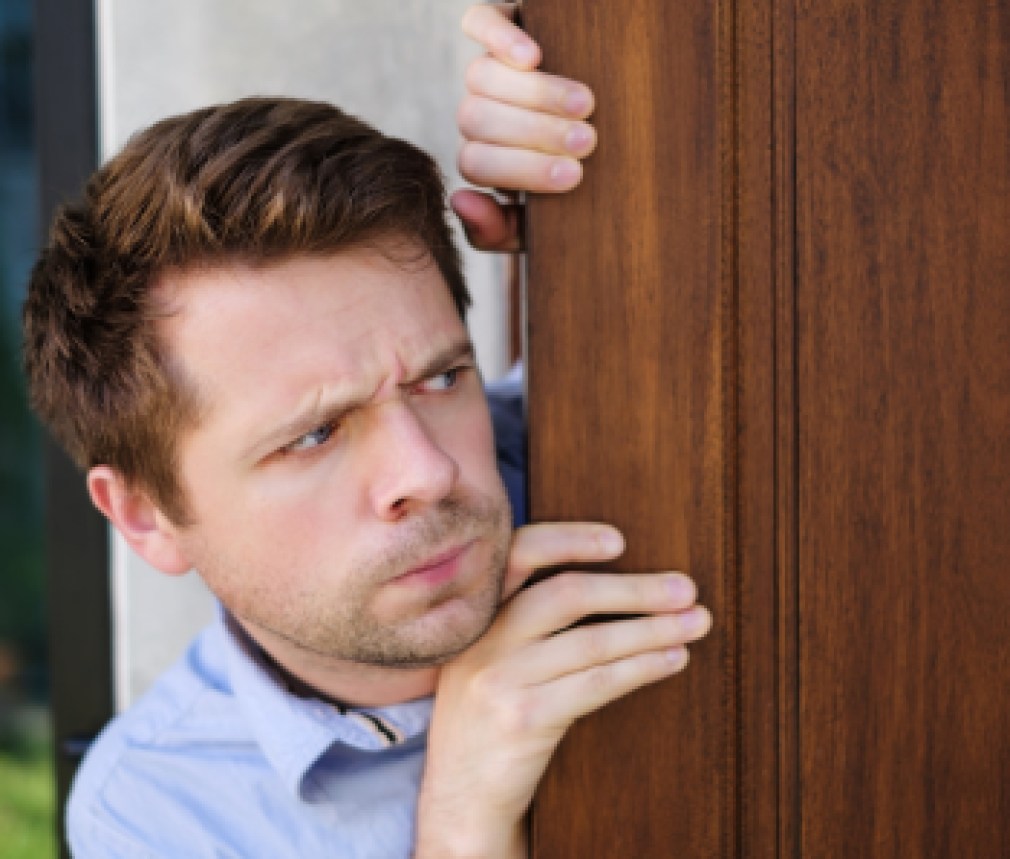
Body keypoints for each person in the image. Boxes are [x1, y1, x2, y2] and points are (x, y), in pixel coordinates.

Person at [24, 6, 711, 857]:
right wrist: (462, 826)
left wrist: (602, 170)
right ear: (145, 515)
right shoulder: (158, 814)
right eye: (313, 435)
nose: (426, 471)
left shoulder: (621, 432)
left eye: (440, 378)